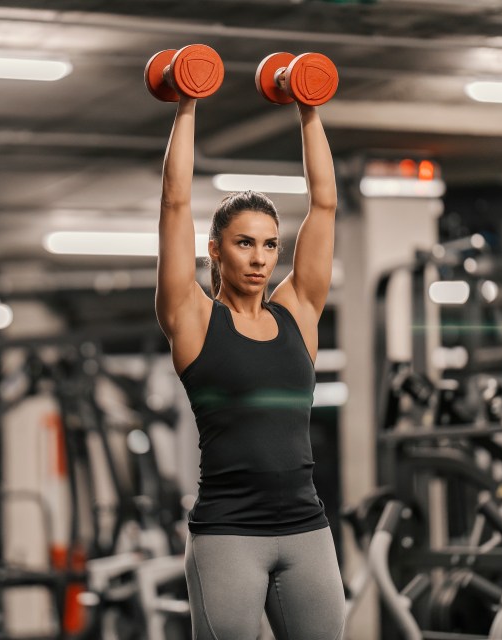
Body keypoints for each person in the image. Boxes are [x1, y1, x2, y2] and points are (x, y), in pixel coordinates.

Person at [155, 90, 346, 640]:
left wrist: (309, 109)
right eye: (244, 244)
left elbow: (325, 203)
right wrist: (186, 104)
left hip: (307, 529)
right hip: (228, 536)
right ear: (215, 250)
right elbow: (174, 203)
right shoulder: (192, 320)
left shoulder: (299, 313)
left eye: (269, 244)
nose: (260, 258)